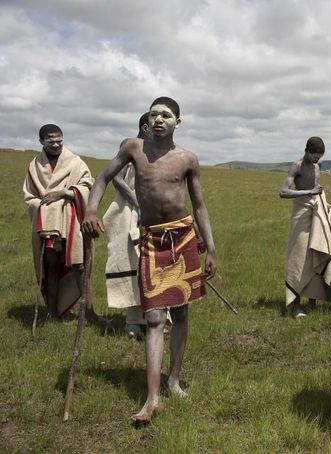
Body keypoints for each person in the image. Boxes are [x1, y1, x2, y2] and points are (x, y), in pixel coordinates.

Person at [82, 97, 217, 423]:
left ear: (177, 122)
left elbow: (198, 206)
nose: (159, 119)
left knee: (181, 313)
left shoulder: (187, 159)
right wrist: (90, 209)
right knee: (154, 317)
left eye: (166, 115)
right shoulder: (133, 148)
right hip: (152, 239)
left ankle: (174, 380)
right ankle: (152, 398)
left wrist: (210, 247)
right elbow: (101, 179)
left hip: (182, 237)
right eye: (154, 114)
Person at [23, 124, 100, 321]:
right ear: (41, 141)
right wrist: (43, 207)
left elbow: (87, 185)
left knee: (79, 266)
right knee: (50, 266)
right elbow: (29, 196)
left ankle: (89, 313)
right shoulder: (34, 166)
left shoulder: (76, 162)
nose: (56, 144)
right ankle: (52, 313)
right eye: (51, 141)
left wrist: (64, 193)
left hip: (71, 221)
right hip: (47, 226)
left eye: (60, 140)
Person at [279, 137, 331, 318]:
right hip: (300, 215)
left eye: (318, 157)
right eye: (314, 156)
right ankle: (295, 304)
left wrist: (321, 201)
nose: (316, 160)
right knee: (298, 257)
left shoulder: (318, 165)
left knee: (317, 252)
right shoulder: (296, 166)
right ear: (306, 151)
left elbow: (316, 186)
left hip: (316, 212)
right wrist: (309, 193)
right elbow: (283, 191)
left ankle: (313, 299)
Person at [102, 114, 149, 338]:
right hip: (129, 211)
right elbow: (117, 179)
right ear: (144, 127)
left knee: (154, 266)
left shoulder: (160, 150)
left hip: (153, 213)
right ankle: (132, 322)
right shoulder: (129, 145)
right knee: (133, 263)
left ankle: (154, 320)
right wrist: (137, 203)